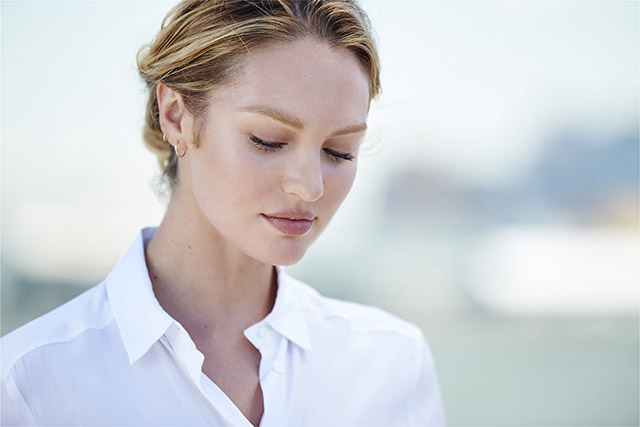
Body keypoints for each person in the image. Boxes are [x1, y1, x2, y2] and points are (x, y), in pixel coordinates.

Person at [1, 0, 445, 425]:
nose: (310, 187)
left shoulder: (393, 364)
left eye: (339, 152)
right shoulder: (28, 385)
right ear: (176, 116)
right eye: (268, 141)